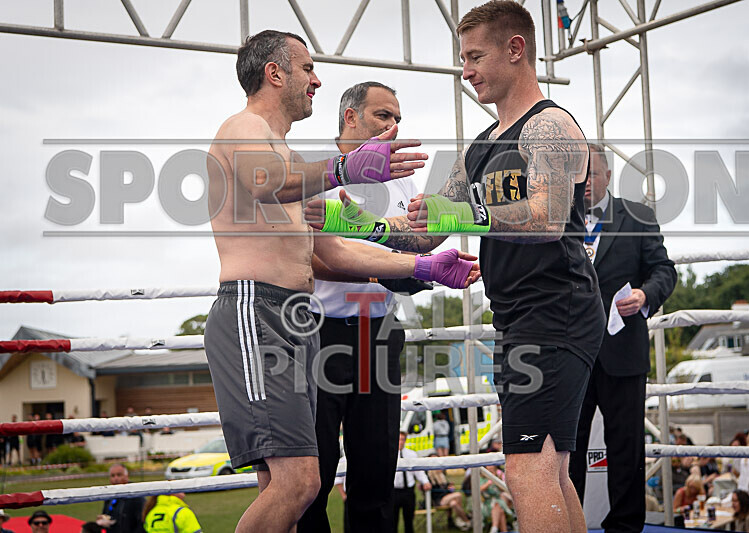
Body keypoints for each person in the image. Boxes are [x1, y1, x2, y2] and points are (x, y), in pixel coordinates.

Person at [306, 3, 606, 530]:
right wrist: (348, 219)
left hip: (558, 309)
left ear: (516, 50)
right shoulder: (478, 148)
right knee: (549, 469)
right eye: (461, 59)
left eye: (474, 56)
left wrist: (465, 210)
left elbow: (548, 217)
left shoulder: (550, 125)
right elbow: (422, 233)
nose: (465, 71)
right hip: (518, 316)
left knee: (530, 471)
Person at [204, 29, 479, 533]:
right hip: (260, 310)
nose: (317, 79)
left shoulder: (286, 152)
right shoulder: (243, 128)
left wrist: (421, 265)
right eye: (307, 68)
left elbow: (333, 249)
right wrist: (342, 168)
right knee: (301, 484)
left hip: (303, 321)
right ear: (275, 73)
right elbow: (268, 184)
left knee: (287, 483)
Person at [298, 81, 431, 533]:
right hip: (315, 332)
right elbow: (310, 259)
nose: (394, 126)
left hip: (377, 334)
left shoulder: (402, 175)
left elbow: (414, 245)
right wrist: (387, 269)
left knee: (376, 468)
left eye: (398, 119)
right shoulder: (313, 170)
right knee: (311, 474)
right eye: (383, 116)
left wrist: (425, 265)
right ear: (350, 117)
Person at [568, 142, 677, 531]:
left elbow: (664, 270)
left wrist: (646, 295)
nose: (582, 183)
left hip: (623, 350)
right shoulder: (555, 218)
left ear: (608, 176)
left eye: (591, 174)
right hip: (571, 356)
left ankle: (626, 528)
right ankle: (570, 524)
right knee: (569, 449)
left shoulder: (637, 216)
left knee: (627, 448)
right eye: (576, 175)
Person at [393, 431, 431, 533]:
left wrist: (425, 482)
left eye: (402, 440)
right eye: (399, 439)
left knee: (409, 520)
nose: (400, 442)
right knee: (392, 521)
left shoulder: (411, 454)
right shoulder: (389, 454)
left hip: (408, 492)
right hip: (394, 492)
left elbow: (418, 471)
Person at [97, 464, 145, 533]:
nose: (116, 478)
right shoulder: (108, 497)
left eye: (119, 475)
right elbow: (106, 515)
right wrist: (102, 520)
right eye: (113, 476)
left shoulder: (136, 496)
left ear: (127, 476)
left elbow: (142, 523)